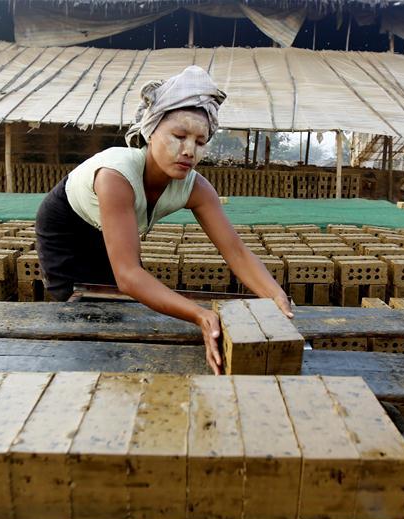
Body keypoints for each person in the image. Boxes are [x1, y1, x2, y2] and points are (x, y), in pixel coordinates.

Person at [35, 65, 291, 373]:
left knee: (122, 307)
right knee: (85, 312)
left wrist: (276, 296)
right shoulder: (115, 177)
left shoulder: (196, 188)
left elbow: (235, 251)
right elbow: (129, 276)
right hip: (68, 233)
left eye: (200, 142)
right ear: (151, 130)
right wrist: (200, 315)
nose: (189, 151)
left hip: (112, 230)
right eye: (179, 136)